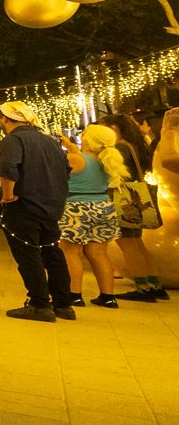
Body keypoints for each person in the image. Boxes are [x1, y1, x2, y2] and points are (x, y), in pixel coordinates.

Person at [0, 101, 74, 322]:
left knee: (29, 255)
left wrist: (7, 195)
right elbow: (66, 169)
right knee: (52, 253)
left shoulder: (13, 140)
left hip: (24, 205)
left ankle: (39, 304)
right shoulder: (50, 141)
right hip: (51, 206)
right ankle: (63, 304)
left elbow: (8, 169)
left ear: (4, 118)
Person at [59, 126, 127, 309]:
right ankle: (108, 296)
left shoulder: (74, 159)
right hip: (103, 205)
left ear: (88, 141)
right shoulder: (108, 160)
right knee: (99, 254)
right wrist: (70, 146)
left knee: (71, 252)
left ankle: (74, 295)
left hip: (76, 207)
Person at [101, 112, 165, 301]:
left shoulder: (120, 148)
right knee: (137, 243)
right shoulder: (136, 146)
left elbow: (110, 172)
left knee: (128, 244)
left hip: (124, 201)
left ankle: (142, 288)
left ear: (114, 128)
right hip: (137, 199)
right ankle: (154, 285)